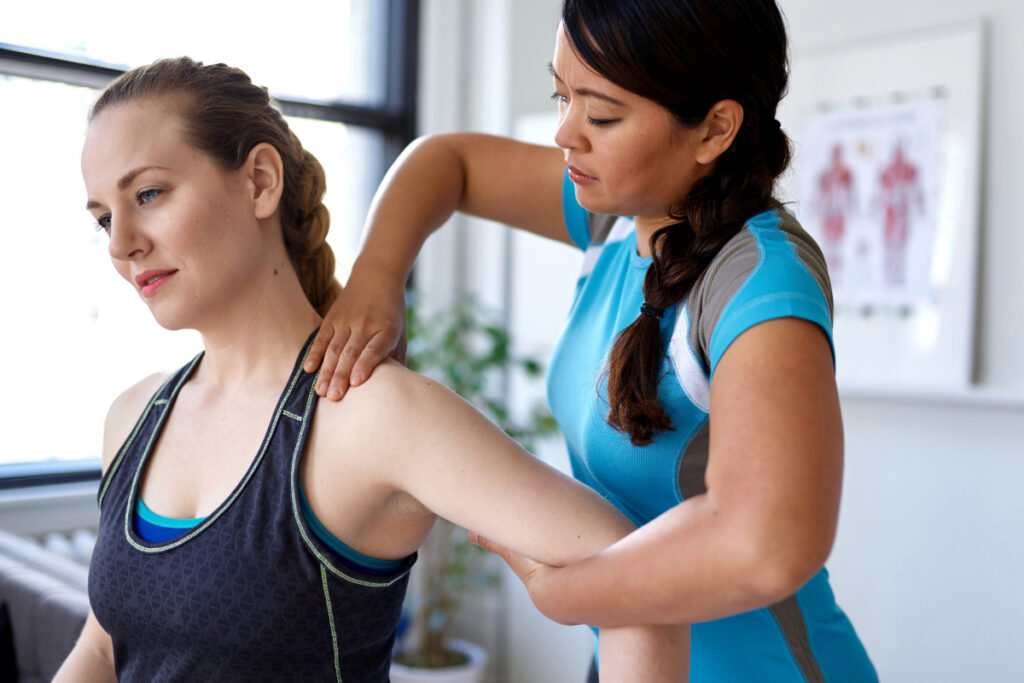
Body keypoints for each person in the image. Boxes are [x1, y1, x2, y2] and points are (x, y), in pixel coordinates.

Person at [55, 57, 689, 682]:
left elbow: (639, 583)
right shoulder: (132, 418)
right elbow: (104, 651)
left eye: (148, 194)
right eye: (105, 217)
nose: (120, 243)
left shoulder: (371, 415)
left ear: (259, 182)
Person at [304, 0, 879, 680]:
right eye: (561, 95)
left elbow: (771, 545)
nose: (564, 133)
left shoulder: (758, 281)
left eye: (601, 115)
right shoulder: (621, 217)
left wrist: (565, 593)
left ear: (715, 128)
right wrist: (376, 278)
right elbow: (447, 163)